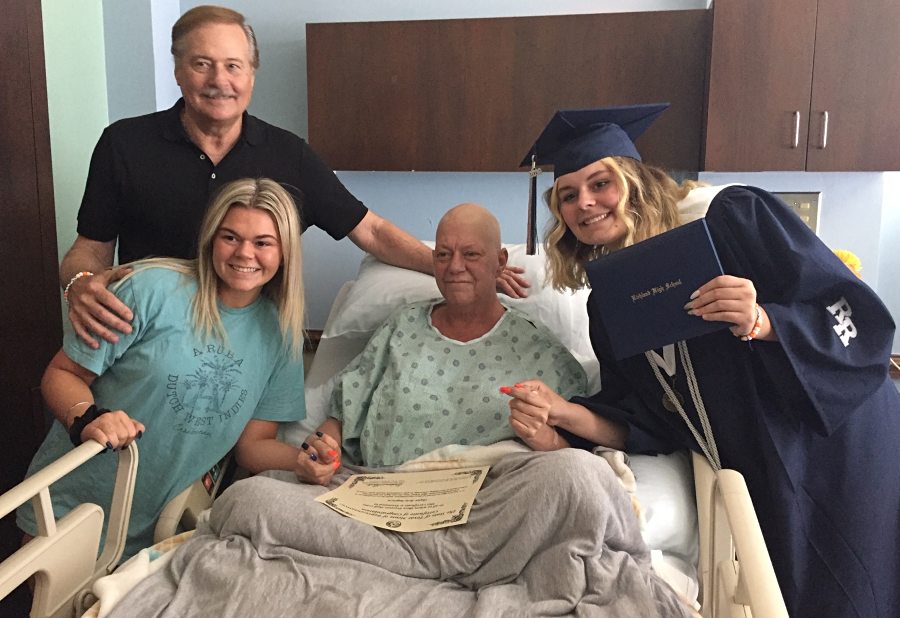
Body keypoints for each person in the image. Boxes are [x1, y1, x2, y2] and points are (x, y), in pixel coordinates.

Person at [502, 103, 900, 618]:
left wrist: (765, 320)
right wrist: (562, 415)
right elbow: (649, 416)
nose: (585, 204)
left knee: (865, 588)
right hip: (753, 469)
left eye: (601, 184)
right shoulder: (609, 303)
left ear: (636, 179)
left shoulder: (732, 217)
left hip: (835, 445)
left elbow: (854, 314)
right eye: (568, 196)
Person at [62, 5, 528, 350]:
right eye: (202, 63)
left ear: (252, 74)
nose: (218, 79)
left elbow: (370, 229)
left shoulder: (288, 155)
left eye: (233, 66)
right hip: (145, 339)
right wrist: (79, 283)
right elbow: (90, 248)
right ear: (179, 70)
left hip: (251, 349)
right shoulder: (124, 145)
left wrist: (452, 267)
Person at [18, 178, 315, 561]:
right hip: (71, 506)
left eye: (262, 242)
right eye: (230, 237)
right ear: (211, 239)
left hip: (155, 532)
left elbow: (252, 447)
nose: (245, 253)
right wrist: (89, 418)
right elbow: (61, 375)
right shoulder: (151, 290)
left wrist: (304, 461)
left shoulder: (280, 334)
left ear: (285, 252)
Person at [294, 203, 587, 485]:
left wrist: (547, 440)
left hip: (487, 503)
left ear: (500, 262)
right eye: (443, 254)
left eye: (471, 254)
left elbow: (576, 456)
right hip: (380, 492)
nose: (454, 267)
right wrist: (320, 454)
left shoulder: (536, 347)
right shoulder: (403, 327)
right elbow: (344, 410)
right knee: (258, 496)